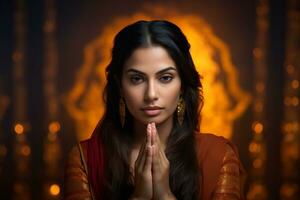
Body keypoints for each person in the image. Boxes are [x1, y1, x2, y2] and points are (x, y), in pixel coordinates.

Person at [64, 20, 245, 200]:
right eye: (137, 79)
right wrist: (139, 197)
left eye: (165, 78)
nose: (151, 94)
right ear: (120, 86)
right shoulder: (84, 159)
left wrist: (164, 195)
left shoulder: (218, 156)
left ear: (182, 85)